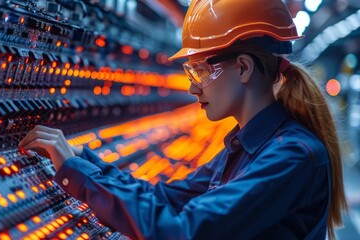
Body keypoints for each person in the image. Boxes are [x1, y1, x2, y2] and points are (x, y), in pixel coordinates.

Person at [19, 0, 348, 239]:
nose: (192, 87)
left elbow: (183, 232)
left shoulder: (291, 155)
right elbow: (166, 198)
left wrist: (79, 177)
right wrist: (83, 163)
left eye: (200, 71)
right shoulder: (245, 146)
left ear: (244, 68)